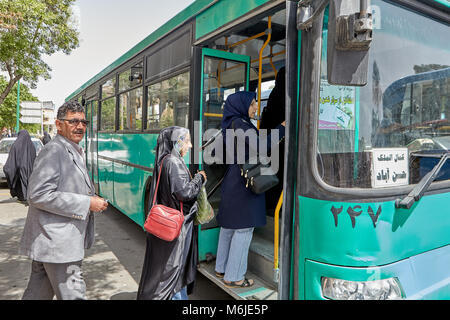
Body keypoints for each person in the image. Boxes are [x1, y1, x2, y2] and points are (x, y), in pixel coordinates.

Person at [19, 101, 108, 300]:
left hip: (52, 244)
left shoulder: (71, 149)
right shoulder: (54, 150)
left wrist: (91, 198)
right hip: (58, 245)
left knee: (37, 293)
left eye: (83, 122)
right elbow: (38, 194)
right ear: (59, 125)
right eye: (73, 121)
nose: (80, 126)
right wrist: (87, 203)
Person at [215, 91, 285, 288]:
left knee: (229, 227)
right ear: (241, 105)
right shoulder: (241, 124)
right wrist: (281, 129)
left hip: (233, 181)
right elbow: (261, 147)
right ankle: (235, 276)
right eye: (253, 103)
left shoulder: (230, 123)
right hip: (245, 183)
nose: (256, 108)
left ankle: (221, 268)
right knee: (243, 230)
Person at [137, 126, 207, 300]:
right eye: (187, 141)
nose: (190, 146)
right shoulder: (173, 162)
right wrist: (200, 178)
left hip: (168, 226)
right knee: (174, 271)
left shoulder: (165, 160)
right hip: (177, 229)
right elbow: (185, 193)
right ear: (177, 142)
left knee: (168, 271)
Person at [259, 67, 286, 213]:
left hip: (271, 144)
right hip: (279, 143)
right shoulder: (286, 96)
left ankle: (271, 205)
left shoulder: (273, 95)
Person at [3, 130, 37, 202]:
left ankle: (22, 196)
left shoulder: (15, 145)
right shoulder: (32, 146)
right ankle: (28, 195)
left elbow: (10, 164)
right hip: (30, 171)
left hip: (18, 173)